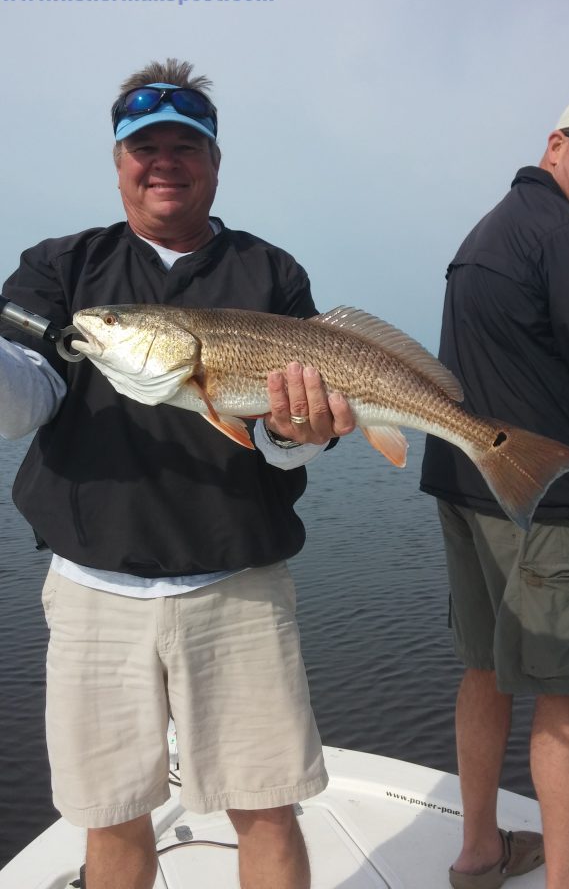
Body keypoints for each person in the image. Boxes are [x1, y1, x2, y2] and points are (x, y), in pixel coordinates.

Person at [0, 58, 356, 889]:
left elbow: (283, 440)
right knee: (111, 816)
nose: (164, 160)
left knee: (267, 808)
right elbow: (26, 398)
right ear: (118, 162)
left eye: (185, 144)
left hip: (240, 585)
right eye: (144, 145)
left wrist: (303, 435)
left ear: (215, 162)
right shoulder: (62, 267)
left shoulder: (272, 274)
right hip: (93, 590)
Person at [420, 100, 569, 889]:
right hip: (542, 503)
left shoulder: (492, 229)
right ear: (557, 145)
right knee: (568, 695)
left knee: (483, 669)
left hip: (465, 484)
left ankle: (480, 851)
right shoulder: (561, 236)